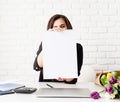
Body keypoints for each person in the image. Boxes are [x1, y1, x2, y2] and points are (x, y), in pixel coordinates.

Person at [33, 14, 83, 84]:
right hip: (46, 87)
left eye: (62, 26)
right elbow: (37, 66)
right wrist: (48, 42)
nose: (59, 30)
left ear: (68, 28)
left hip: (67, 89)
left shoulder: (77, 47)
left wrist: (65, 77)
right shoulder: (45, 43)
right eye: (55, 27)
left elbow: (73, 78)